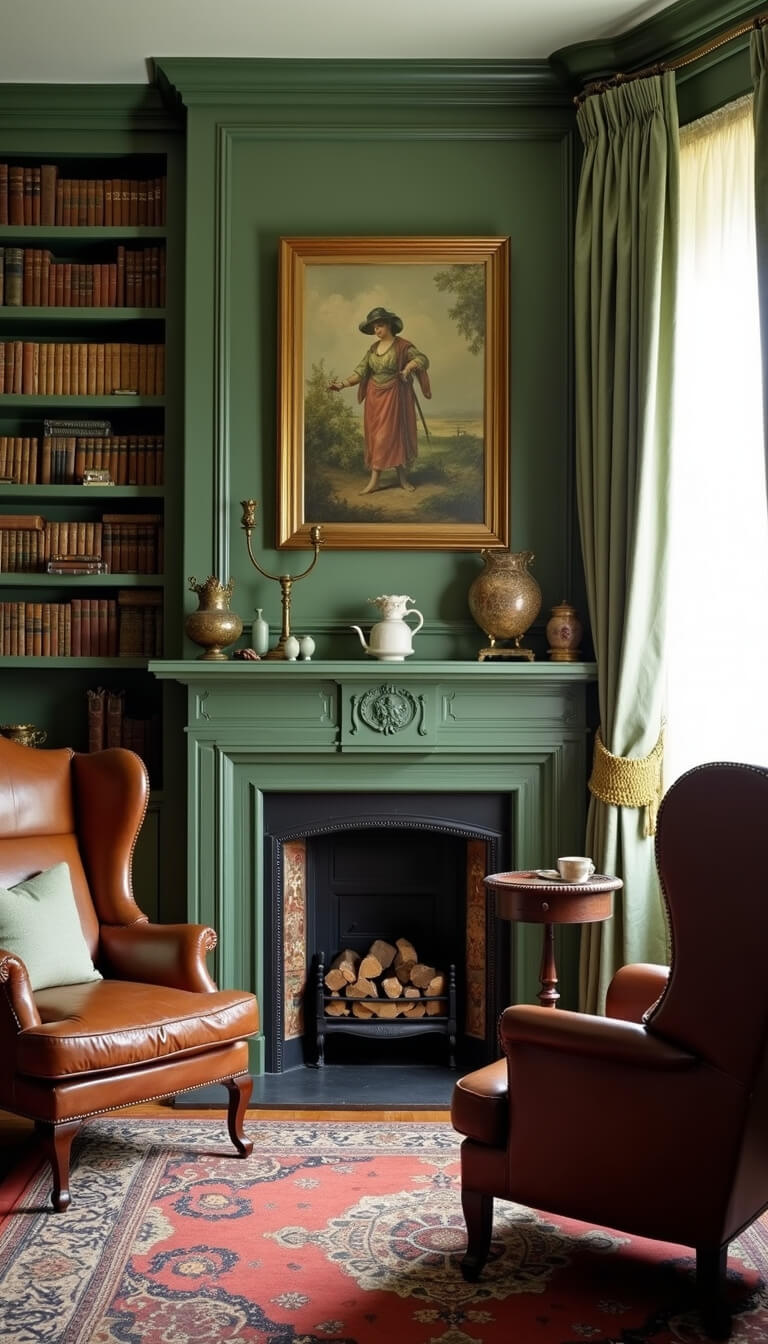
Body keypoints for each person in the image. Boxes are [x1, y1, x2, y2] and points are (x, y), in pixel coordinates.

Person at [328, 306, 431, 494]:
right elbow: (360, 371)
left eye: (380, 326)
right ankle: (384, 480)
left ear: (390, 325)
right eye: (374, 327)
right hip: (374, 398)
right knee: (377, 438)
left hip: (394, 397)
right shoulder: (372, 349)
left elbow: (423, 359)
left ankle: (394, 479)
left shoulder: (402, 346)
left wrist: (408, 368)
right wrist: (341, 385)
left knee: (393, 436)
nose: (377, 330)